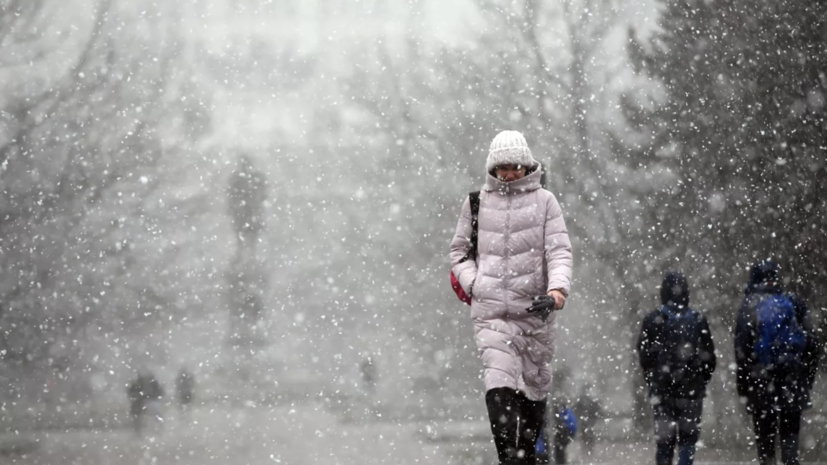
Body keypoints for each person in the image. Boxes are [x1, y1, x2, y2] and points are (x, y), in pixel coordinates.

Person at [450, 130, 573, 465]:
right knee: (498, 380)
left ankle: (526, 454)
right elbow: (459, 252)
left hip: (536, 313)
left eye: (515, 165)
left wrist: (557, 291)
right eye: (502, 166)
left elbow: (559, 251)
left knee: (534, 390)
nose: (509, 173)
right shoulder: (476, 203)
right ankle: (509, 457)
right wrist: (476, 284)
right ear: (492, 167)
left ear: (527, 164)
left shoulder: (546, 202)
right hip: (493, 315)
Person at [734, 260, 820, 465]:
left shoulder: (749, 308)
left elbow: (741, 352)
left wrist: (744, 389)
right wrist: (805, 380)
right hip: (792, 382)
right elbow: (813, 346)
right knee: (790, 447)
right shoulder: (793, 303)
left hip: (761, 384)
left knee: (766, 448)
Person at [637, 271, 716, 465]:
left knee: (664, 445)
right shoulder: (697, 319)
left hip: (663, 393)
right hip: (691, 393)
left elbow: (644, 358)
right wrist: (699, 380)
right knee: (688, 442)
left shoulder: (653, 320)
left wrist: (654, 380)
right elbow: (710, 358)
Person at [127, 369, 165, 435]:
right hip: (146, 401)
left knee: (139, 416)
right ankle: (155, 427)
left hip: (145, 401)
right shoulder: (145, 385)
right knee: (143, 415)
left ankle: (139, 429)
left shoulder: (142, 385)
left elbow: (131, 392)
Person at [574, 383, 603, 458]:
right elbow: (577, 410)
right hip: (585, 422)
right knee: (585, 437)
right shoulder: (583, 400)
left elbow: (596, 410)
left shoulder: (590, 400)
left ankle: (588, 451)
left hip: (589, 421)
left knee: (589, 437)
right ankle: (586, 451)